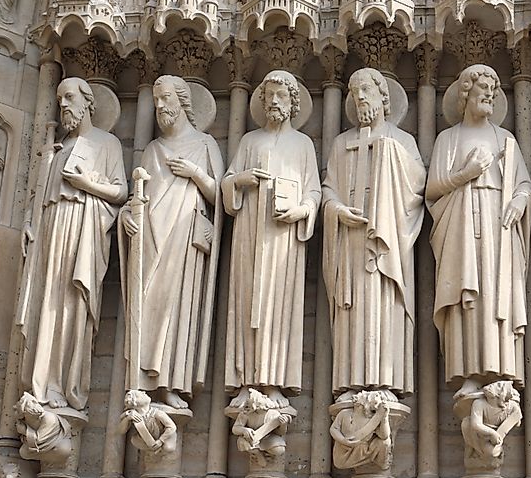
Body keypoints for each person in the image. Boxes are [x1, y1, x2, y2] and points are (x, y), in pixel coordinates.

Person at [18, 77, 127, 410]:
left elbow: (120, 192)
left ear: (88, 101)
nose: (63, 104)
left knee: (70, 304)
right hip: (50, 233)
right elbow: (39, 197)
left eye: (68, 97)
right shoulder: (56, 150)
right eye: (59, 98)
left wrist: (85, 184)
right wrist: (27, 222)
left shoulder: (106, 144)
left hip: (82, 233)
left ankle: (62, 386)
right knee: (44, 301)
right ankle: (40, 382)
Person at [427, 64, 531, 396]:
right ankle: (467, 371)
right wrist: (467, 173)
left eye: (493, 89)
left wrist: (520, 200)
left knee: (496, 295)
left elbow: (524, 184)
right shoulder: (449, 138)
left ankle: (501, 368)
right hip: (459, 225)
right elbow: (432, 191)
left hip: (498, 224)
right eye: (482, 89)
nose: (488, 94)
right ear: (465, 94)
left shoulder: (506, 139)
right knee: (466, 299)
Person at [120, 75, 223, 408]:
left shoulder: (206, 144)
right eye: (155, 100)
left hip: (184, 237)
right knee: (147, 305)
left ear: (183, 101)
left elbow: (221, 198)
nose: (160, 106)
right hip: (151, 238)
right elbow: (139, 197)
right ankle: (142, 383)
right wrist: (126, 215)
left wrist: (196, 173)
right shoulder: (152, 149)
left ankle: (172, 385)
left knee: (178, 309)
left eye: (165, 98)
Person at [322, 68, 426, 397]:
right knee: (351, 309)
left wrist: (390, 155)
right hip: (350, 241)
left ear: (384, 96)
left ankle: (387, 381)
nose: (360, 97)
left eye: (366, 89)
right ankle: (352, 382)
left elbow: (418, 188)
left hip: (388, 242)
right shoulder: (342, 144)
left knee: (385, 305)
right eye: (354, 92)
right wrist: (338, 210)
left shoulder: (402, 141)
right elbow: (328, 190)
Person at [222, 70, 320, 396]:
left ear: (293, 102)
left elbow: (314, 192)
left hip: (283, 240)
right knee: (249, 302)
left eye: (281, 95)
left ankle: (274, 380)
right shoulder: (250, 141)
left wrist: (302, 211)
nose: (274, 101)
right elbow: (228, 182)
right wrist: (241, 180)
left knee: (279, 306)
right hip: (249, 235)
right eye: (269, 95)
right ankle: (246, 379)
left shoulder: (303, 144)